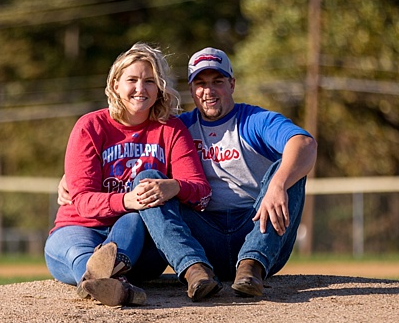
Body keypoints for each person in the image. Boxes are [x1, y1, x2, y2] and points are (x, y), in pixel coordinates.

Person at [60, 47, 317, 298]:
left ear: (232, 84)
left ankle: (252, 266)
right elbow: (140, 155)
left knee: (286, 171)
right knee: (149, 180)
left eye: (218, 81)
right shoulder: (180, 126)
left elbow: (304, 144)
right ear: (192, 90)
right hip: (205, 237)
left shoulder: (253, 121)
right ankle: (194, 270)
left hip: (256, 227)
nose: (209, 91)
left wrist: (279, 184)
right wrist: (71, 175)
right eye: (201, 83)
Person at [44, 43, 212, 306]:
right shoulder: (90, 126)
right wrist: (126, 200)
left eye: (149, 81)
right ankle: (109, 284)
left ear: (159, 88)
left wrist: (175, 187)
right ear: (115, 85)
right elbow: (83, 200)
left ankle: (108, 281)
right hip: (80, 228)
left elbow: (201, 191)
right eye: (131, 80)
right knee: (81, 254)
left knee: (133, 220)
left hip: (140, 243)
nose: (140, 88)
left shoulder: (171, 129)